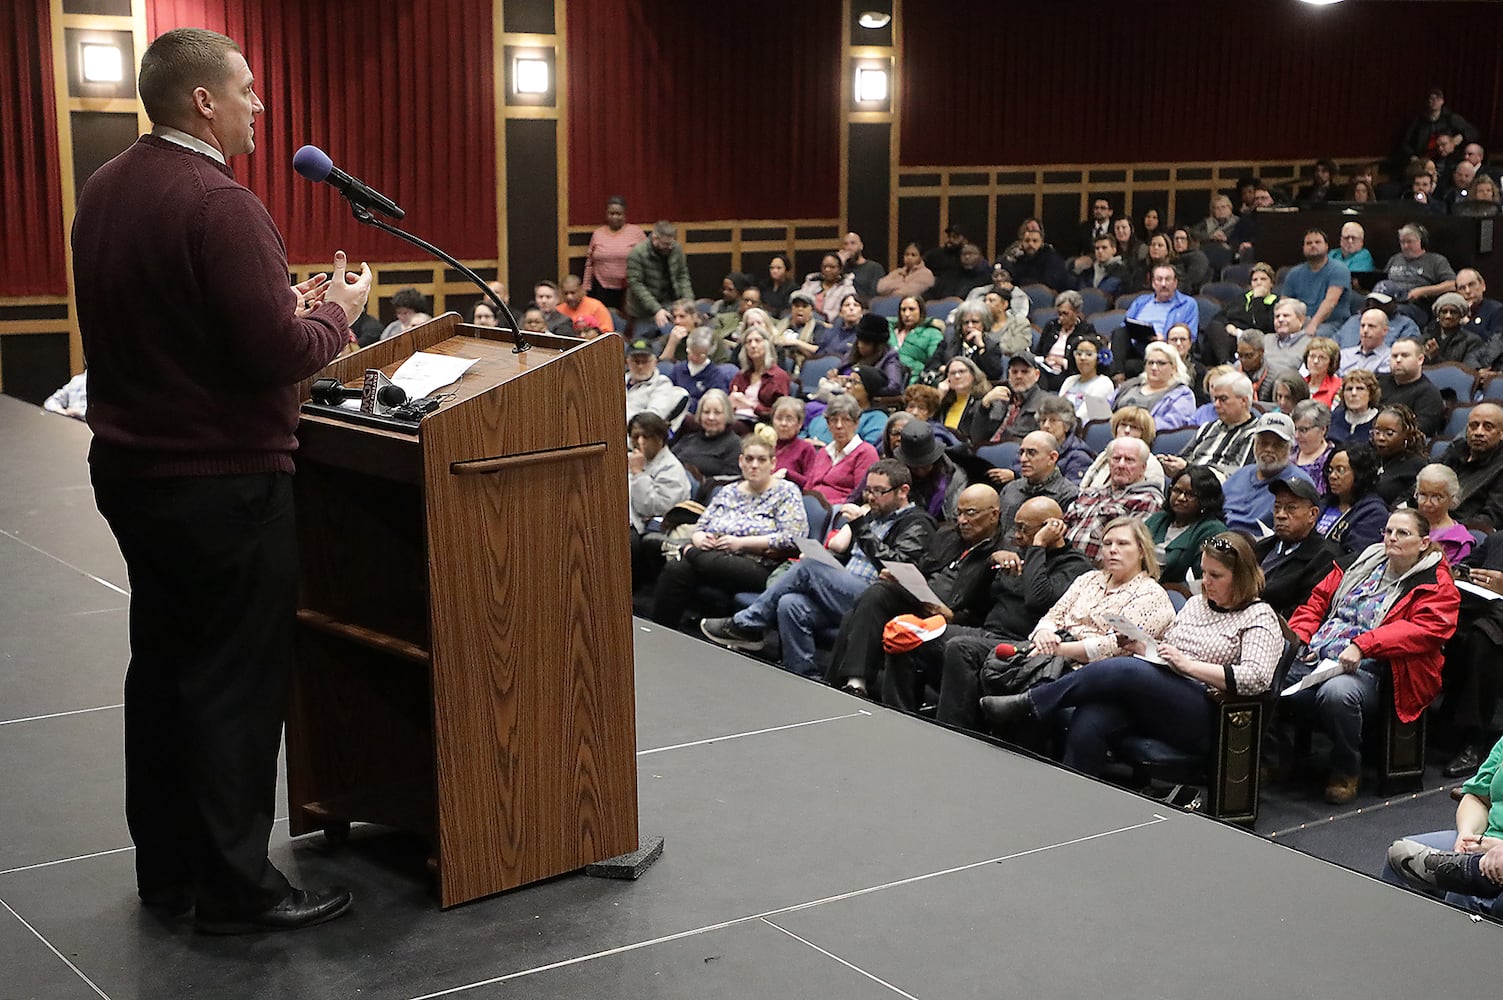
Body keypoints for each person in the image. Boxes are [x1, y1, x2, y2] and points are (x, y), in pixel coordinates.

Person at [72, 26, 373, 932]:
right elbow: (273, 355)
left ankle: (170, 870)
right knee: (234, 686)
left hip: (134, 471)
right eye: (247, 89)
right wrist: (334, 312)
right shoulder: (218, 201)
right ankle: (240, 890)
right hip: (222, 481)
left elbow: (173, 326)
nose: (259, 104)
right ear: (203, 100)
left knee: (163, 673)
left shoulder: (106, 187)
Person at [980, 530, 1282, 782]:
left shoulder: (1258, 616)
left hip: (1210, 712)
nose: (1206, 581)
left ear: (1241, 577)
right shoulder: (1195, 606)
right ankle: (1071, 801)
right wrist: (1145, 648)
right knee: (1092, 716)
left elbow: (1256, 679)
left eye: (1216, 575)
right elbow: (1169, 649)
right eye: (1203, 572)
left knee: (1123, 669)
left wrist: (1190, 665)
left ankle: (1031, 702)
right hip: (1163, 697)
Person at [1284, 509, 1460, 804]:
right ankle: (1276, 758)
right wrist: (1298, 636)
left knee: (1337, 694)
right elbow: (1317, 602)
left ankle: (1346, 770)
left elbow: (1425, 630)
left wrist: (1364, 645)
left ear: (1424, 542)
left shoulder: (1436, 583)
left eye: (1402, 533)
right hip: (1319, 655)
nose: (1392, 538)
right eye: (1388, 531)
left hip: (1381, 672)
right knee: (1266, 674)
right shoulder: (1362, 562)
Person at [700, 457, 933, 676]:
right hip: (844, 591)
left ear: (903, 491)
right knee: (790, 604)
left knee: (810, 567)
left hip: (876, 602)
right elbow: (842, 550)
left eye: (879, 491)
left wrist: (861, 528)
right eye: (868, 490)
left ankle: (745, 624)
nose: (870, 497)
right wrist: (826, 555)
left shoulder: (917, 524)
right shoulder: (873, 516)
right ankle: (803, 675)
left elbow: (896, 565)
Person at [822, 483, 1004, 700]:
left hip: (949, 617)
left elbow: (983, 606)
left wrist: (951, 614)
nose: (962, 521)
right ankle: (854, 683)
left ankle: (846, 684)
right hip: (921, 599)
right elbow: (923, 569)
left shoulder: (1000, 555)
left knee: (859, 613)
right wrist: (900, 579)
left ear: (993, 515)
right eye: (959, 513)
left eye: (971, 513)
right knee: (878, 592)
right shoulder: (948, 535)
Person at [650, 432, 808, 630]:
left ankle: (685, 550)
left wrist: (741, 543)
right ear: (741, 461)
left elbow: (793, 537)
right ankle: (661, 631)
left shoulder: (786, 491)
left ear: (773, 463)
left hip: (758, 565)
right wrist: (700, 539)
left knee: (693, 558)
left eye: (761, 460)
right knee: (677, 569)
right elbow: (700, 527)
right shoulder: (729, 491)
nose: (754, 465)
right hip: (713, 556)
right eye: (749, 459)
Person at [1382, 731, 1503, 917]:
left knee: (1463, 893)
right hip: (1484, 840)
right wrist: (1466, 835)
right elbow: (1477, 796)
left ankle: (1471, 871)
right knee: (1397, 859)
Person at [1063, 437, 1163, 562]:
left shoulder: (1147, 500)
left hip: (1099, 572)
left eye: (1129, 460)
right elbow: (1063, 528)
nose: (1121, 465)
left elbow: (1129, 552)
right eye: (1116, 458)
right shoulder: (1090, 493)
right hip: (1061, 564)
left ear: (1143, 467)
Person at [1256, 477, 1338, 618]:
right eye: (1277, 507)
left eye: (1291, 508)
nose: (1281, 515)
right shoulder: (1263, 546)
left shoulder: (1324, 557)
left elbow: (1304, 611)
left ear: (1313, 514)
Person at [1221, 413, 1316, 534]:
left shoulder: (1299, 483)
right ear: (1255, 444)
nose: (1269, 449)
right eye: (1263, 443)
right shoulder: (1239, 475)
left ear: (1290, 449)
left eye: (1278, 445)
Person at [1160, 371, 1259, 481]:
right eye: (1215, 399)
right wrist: (1169, 463)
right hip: (1186, 484)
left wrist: (1187, 468)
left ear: (1243, 401)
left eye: (1223, 399)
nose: (1216, 404)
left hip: (1216, 493)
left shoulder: (1255, 434)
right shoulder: (1207, 428)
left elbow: (1233, 477)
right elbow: (1183, 457)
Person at [1145, 467, 1228, 586]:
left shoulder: (1213, 531)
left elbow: (1206, 580)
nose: (1181, 498)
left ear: (1206, 499)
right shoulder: (1159, 519)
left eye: (1190, 494)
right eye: (1177, 491)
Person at [992, 430, 1079, 534]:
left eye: (1031, 453)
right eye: (1021, 452)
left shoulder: (1069, 495)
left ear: (1052, 458)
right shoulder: (1010, 489)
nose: (1023, 459)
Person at [1317, 441, 1390, 556]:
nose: (1332, 476)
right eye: (1330, 470)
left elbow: (1352, 556)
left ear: (1359, 473)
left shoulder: (1374, 513)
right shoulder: (1322, 503)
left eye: (1340, 470)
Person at [805, 394, 879, 504]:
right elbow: (808, 488)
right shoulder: (823, 452)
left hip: (840, 511)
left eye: (846, 420)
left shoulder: (865, 453)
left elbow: (860, 496)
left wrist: (827, 506)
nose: (839, 426)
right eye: (834, 420)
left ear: (856, 423)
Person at [1379, 224, 1456, 327]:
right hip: (1389, 302)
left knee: (1393, 314)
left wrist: (1423, 291)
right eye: (1402, 242)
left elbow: (1452, 284)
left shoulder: (1436, 261)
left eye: (1409, 242)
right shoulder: (1395, 259)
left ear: (1421, 241)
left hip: (1417, 307)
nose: (1405, 246)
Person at [1441, 402, 1503, 530]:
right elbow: (1414, 490)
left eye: (1488, 427)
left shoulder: (1499, 467)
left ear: (1501, 433)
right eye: (1473, 426)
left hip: (1463, 532)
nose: (1479, 432)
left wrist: (1451, 529)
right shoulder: (1454, 451)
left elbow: (1492, 517)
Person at [627, 412, 691, 534]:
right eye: (635, 437)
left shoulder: (672, 468)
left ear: (660, 439)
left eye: (646, 437)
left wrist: (638, 473)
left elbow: (651, 508)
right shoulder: (628, 459)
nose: (640, 442)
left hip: (652, 529)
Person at [1109, 341, 1196, 431]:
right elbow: (1106, 408)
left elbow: (1172, 424)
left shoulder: (1182, 394)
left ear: (1174, 368)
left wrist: (1136, 428)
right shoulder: (1130, 385)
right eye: (1150, 363)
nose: (1154, 367)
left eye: (1161, 363)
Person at [893, 420, 969, 521]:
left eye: (925, 466)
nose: (920, 471)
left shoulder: (955, 478)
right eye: (914, 467)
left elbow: (954, 518)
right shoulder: (896, 476)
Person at [1077, 405, 1165, 492]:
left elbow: (1152, 498)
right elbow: (1083, 487)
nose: (1127, 430)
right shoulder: (1105, 455)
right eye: (1123, 425)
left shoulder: (1152, 464)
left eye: (1134, 427)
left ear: (1144, 433)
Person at [626, 221, 694, 330]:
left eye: (671, 243)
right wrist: (656, 309)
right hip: (643, 310)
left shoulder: (676, 249)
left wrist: (688, 302)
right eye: (665, 244)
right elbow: (636, 285)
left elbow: (682, 276)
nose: (669, 247)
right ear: (654, 238)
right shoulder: (637, 253)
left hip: (670, 303)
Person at [582, 195, 646, 312]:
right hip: (601, 288)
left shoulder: (636, 232)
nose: (614, 217)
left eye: (618, 214)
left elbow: (647, 259)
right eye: (611, 214)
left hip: (629, 288)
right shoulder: (598, 233)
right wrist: (586, 286)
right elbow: (589, 263)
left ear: (625, 214)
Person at [1378, 336, 1446, 438]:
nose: (1398, 360)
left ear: (1420, 359)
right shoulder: (1378, 382)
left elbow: (1420, 431)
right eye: (1394, 356)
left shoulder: (1429, 394)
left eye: (1405, 356)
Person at [670, 388, 741, 481]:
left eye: (717, 413)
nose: (711, 417)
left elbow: (730, 480)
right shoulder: (688, 438)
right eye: (706, 412)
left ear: (727, 415)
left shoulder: (735, 444)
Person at [1415, 464, 1476, 565]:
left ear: (1452, 499)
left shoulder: (1458, 541)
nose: (1427, 503)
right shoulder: (1403, 524)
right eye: (1423, 495)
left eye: (1436, 497)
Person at [1370, 404, 1429, 507]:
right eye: (1377, 431)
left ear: (1406, 434)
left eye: (1389, 433)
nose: (1381, 438)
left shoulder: (1417, 465)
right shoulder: (1369, 458)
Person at [667, 328, 734, 413]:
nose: (694, 357)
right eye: (691, 352)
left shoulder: (715, 375)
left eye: (700, 355)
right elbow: (666, 390)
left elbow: (716, 403)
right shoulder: (678, 369)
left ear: (709, 353)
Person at [625, 337, 689, 425]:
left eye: (645, 361)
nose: (640, 366)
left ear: (655, 362)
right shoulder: (618, 381)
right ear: (627, 362)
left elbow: (653, 418)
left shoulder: (662, 384)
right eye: (636, 361)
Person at [1035, 395, 1095, 485]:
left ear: (1066, 425)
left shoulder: (1078, 456)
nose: (1046, 425)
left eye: (1053, 420)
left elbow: (1072, 492)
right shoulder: (1031, 447)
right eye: (1043, 420)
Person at [887, 295, 945, 384]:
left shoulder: (932, 333)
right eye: (903, 310)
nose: (906, 314)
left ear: (921, 311)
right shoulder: (889, 331)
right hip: (886, 376)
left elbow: (934, 361)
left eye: (911, 309)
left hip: (915, 379)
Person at [1057, 332, 1114, 421]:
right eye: (1079, 354)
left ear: (1099, 358)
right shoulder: (1070, 380)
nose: (1082, 358)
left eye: (1089, 354)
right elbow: (1056, 407)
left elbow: (1084, 415)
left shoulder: (1104, 383)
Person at [936, 356, 990, 449]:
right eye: (953, 373)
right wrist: (939, 396)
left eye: (961, 371)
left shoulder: (983, 401)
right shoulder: (944, 402)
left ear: (973, 375)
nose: (957, 376)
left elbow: (978, 435)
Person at [774, 290, 828, 374]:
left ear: (811, 310)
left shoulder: (818, 327)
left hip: (802, 366)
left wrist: (795, 342)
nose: (800, 309)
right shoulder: (782, 324)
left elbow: (818, 350)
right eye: (797, 306)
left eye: (804, 306)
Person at [1290, 399, 1336, 494]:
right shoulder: (1290, 451)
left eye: (1303, 430)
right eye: (1295, 429)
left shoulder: (1332, 459)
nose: (1297, 436)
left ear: (1323, 429)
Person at [1423, 292, 1482, 365]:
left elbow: (1467, 371)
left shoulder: (1472, 341)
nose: (1448, 316)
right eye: (1444, 312)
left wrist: (1436, 357)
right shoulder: (1426, 336)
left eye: (1453, 312)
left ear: (1460, 316)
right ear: (1438, 315)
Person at [800, 252, 858, 326]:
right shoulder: (810, 284)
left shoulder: (847, 288)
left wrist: (822, 316)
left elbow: (846, 311)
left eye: (832, 267)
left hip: (831, 325)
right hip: (806, 323)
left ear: (840, 269)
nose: (827, 270)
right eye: (824, 267)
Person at [1328, 368, 1382, 443]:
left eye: (1360, 388)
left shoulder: (1380, 420)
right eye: (1349, 389)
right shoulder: (1334, 416)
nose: (1353, 393)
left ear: (1371, 394)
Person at [1337, 308, 1393, 376]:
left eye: (1371, 326)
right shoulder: (1343, 355)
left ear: (1385, 330)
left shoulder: (1390, 358)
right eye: (1363, 326)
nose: (1365, 330)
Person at [840, 232, 886, 301]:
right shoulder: (841, 268)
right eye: (846, 244)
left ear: (861, 246)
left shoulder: (874, 267)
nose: (849, 247)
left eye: (853, 243)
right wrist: (839, 263)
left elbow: (875, 295)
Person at [1303, 337, 1342, 408]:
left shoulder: (1339, 387)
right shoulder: (1299, 384)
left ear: (1331, 362)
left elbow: (1334, 415)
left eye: (1322, 357)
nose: (1315, 361)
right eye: (1312, 356)